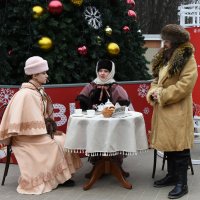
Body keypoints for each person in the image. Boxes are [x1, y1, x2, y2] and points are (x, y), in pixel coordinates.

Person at [0, 56, 82, 195]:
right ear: (34, 74)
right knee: (53, 144)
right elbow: (28, 123)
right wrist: (47, 132)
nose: (46, 75)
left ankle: (60, 178)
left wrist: (50, 129)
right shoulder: (26, 94)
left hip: (36, 133)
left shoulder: (37, 91)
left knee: (63, 139)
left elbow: (43, 116)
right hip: (26, 137)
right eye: (43, 73)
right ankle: (52, 178)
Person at [146, 24, 198, 199]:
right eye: (164, 40)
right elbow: (156, 80)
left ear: (175, 41)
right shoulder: (165, 57)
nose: (164, 43)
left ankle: (182, 184)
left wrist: (163, 95)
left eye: (167, 40)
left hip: (177, 110)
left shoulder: (187, 58)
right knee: (168, 145)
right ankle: (172, 176)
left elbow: (185, 85)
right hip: (163, 110)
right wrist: (153, 92)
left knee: (180, 147)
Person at [76, 59, 133, 177]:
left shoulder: (115, 87)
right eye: (100, 70)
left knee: (112, 138)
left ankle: (115, 163)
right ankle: (97, 164)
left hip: (112, 123)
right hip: (95, 123)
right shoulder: (91, 86)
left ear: (111, 72)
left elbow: (123, 105)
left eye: (106, 71)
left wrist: (114, 108)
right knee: (96, 138)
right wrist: (89, 105)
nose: (102, 73)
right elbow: (82, 100)